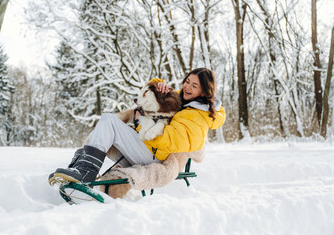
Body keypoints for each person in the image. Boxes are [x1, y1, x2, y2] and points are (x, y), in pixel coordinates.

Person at [49, 67, 226, 185]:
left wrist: (138, 123)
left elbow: (169, 141)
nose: (187, 87)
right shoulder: (184, 100)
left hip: (154, 156)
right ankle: (77, 168)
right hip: (146, 148)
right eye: (187, 81)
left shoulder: (198, 116)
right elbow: (154, 97)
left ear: (204, 91)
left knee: (109, 121)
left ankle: (85, 172)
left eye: (194, 85)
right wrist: (158, 84)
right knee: (106, 126)